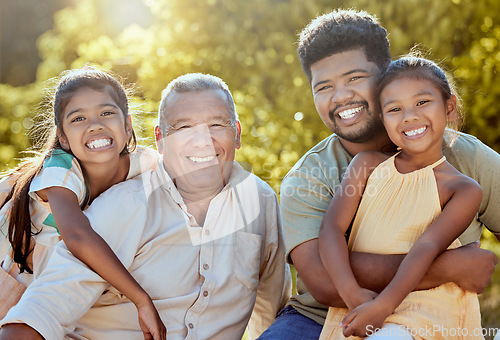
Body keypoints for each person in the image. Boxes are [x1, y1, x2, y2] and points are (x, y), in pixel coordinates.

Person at [258, 9, 499, 339]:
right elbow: (325, 284)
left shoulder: (463, 156)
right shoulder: (310, 177)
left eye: (355, 78)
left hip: (434, 311)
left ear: (386, 76)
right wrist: (449, 266)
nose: (341, 96)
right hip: (322, 314)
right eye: (323, 86)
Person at [0, 73, 290, 339]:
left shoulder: (260, 201)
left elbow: (270, 309)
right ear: (161, 140)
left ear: (237, 133)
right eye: (184, 127)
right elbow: (38, 313)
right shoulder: (114, 201)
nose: (202, 141)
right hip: (15, 265)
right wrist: (140, 298)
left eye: (216, 124)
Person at [319, 56, 483, 339]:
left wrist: (383, 306)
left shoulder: (463, 189)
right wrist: (353, 294)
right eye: (395, 108)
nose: (409, 116)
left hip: (425, 305)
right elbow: (331, 229)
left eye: (422, 102)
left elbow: (427, 247)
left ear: (449, 107)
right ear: (383, 119)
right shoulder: (366, 165)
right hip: (361, 301)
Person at [0, 67, 165, 339]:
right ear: (62, 136)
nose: (95, 124)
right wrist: (140, 298)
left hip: (51, 289)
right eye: (78, 118)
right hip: (16, 269)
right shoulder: (60, 169)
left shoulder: (147, 164)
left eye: (107, 112)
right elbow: (77, 235)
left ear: (128, 125)